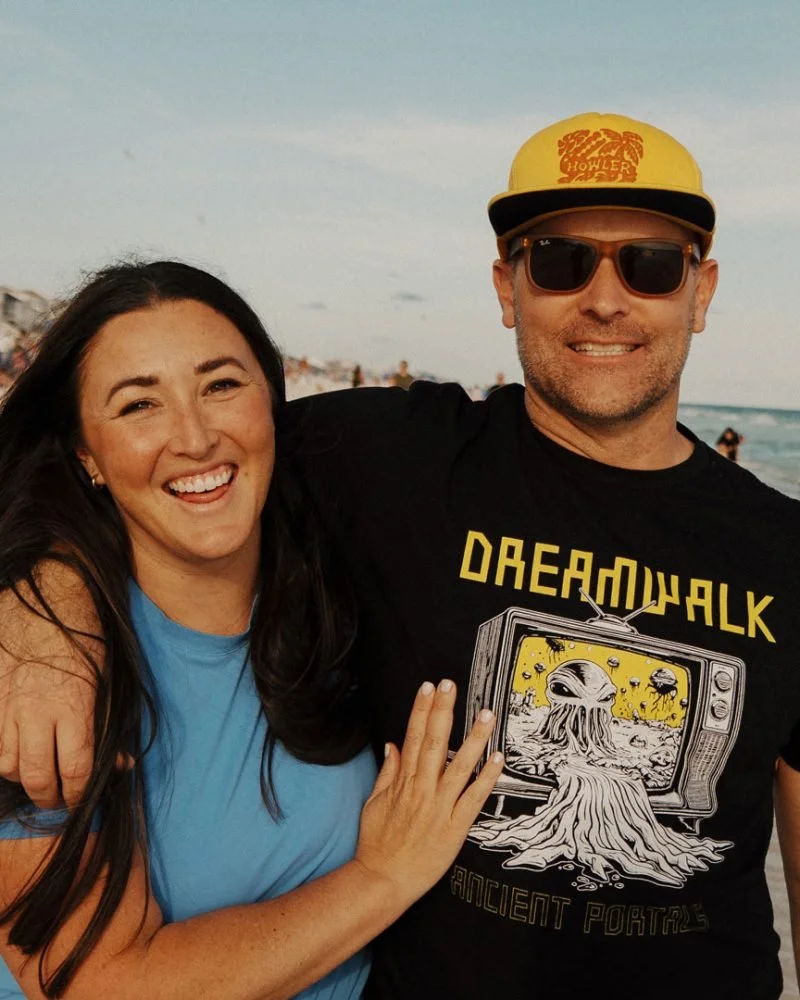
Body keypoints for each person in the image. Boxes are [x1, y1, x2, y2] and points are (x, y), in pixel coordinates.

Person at [3, 112, 800, 1000]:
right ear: (507, 287)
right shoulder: (386, 457)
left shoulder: (787, 551)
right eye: (560, 261)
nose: (605, 300)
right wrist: (42, 612)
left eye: (652, 266)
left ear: (703, 289)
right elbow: (157, 469)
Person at [0, 261, 502, 999]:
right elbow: (97, 985)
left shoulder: (338, 588)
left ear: (275, 402)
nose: (195, 436)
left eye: (221, 385)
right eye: (140, 405)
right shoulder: (47, 674)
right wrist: (383, 877)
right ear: (87, 456)